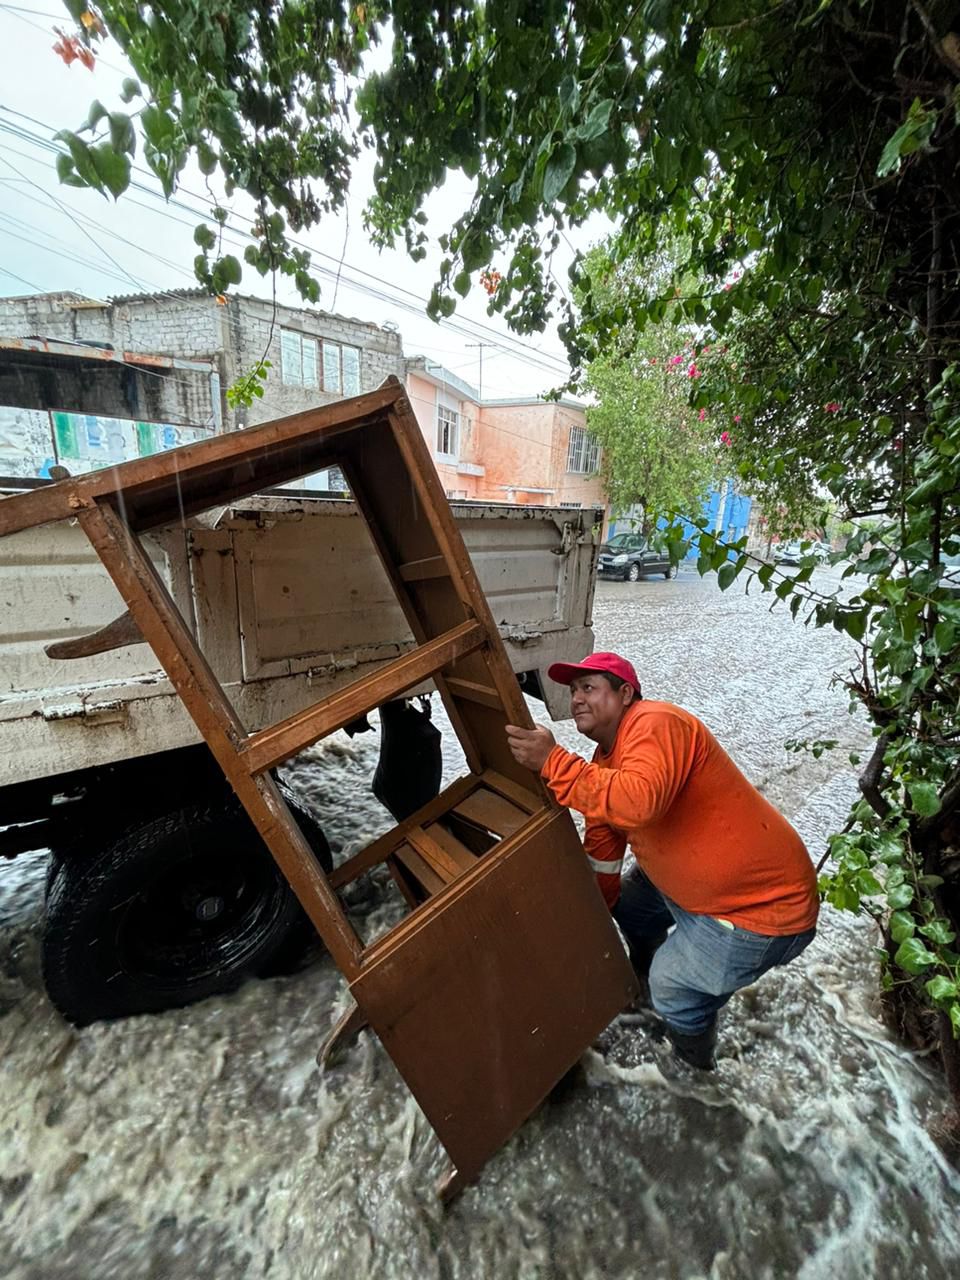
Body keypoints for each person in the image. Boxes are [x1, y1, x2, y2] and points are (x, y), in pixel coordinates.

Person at [505, 652, 818, 1071]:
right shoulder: (603, 764)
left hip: (761, 911)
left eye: (589, 687)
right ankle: (649, 978)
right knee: (630, 906)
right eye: (573, 690)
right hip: (699, 892)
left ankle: (694, 1069)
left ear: (625, 693)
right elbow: (602, 854)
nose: (577, 698)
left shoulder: (655, 722)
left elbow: (638, 803)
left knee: (673, 988)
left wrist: (552, 761)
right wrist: (581, 933)